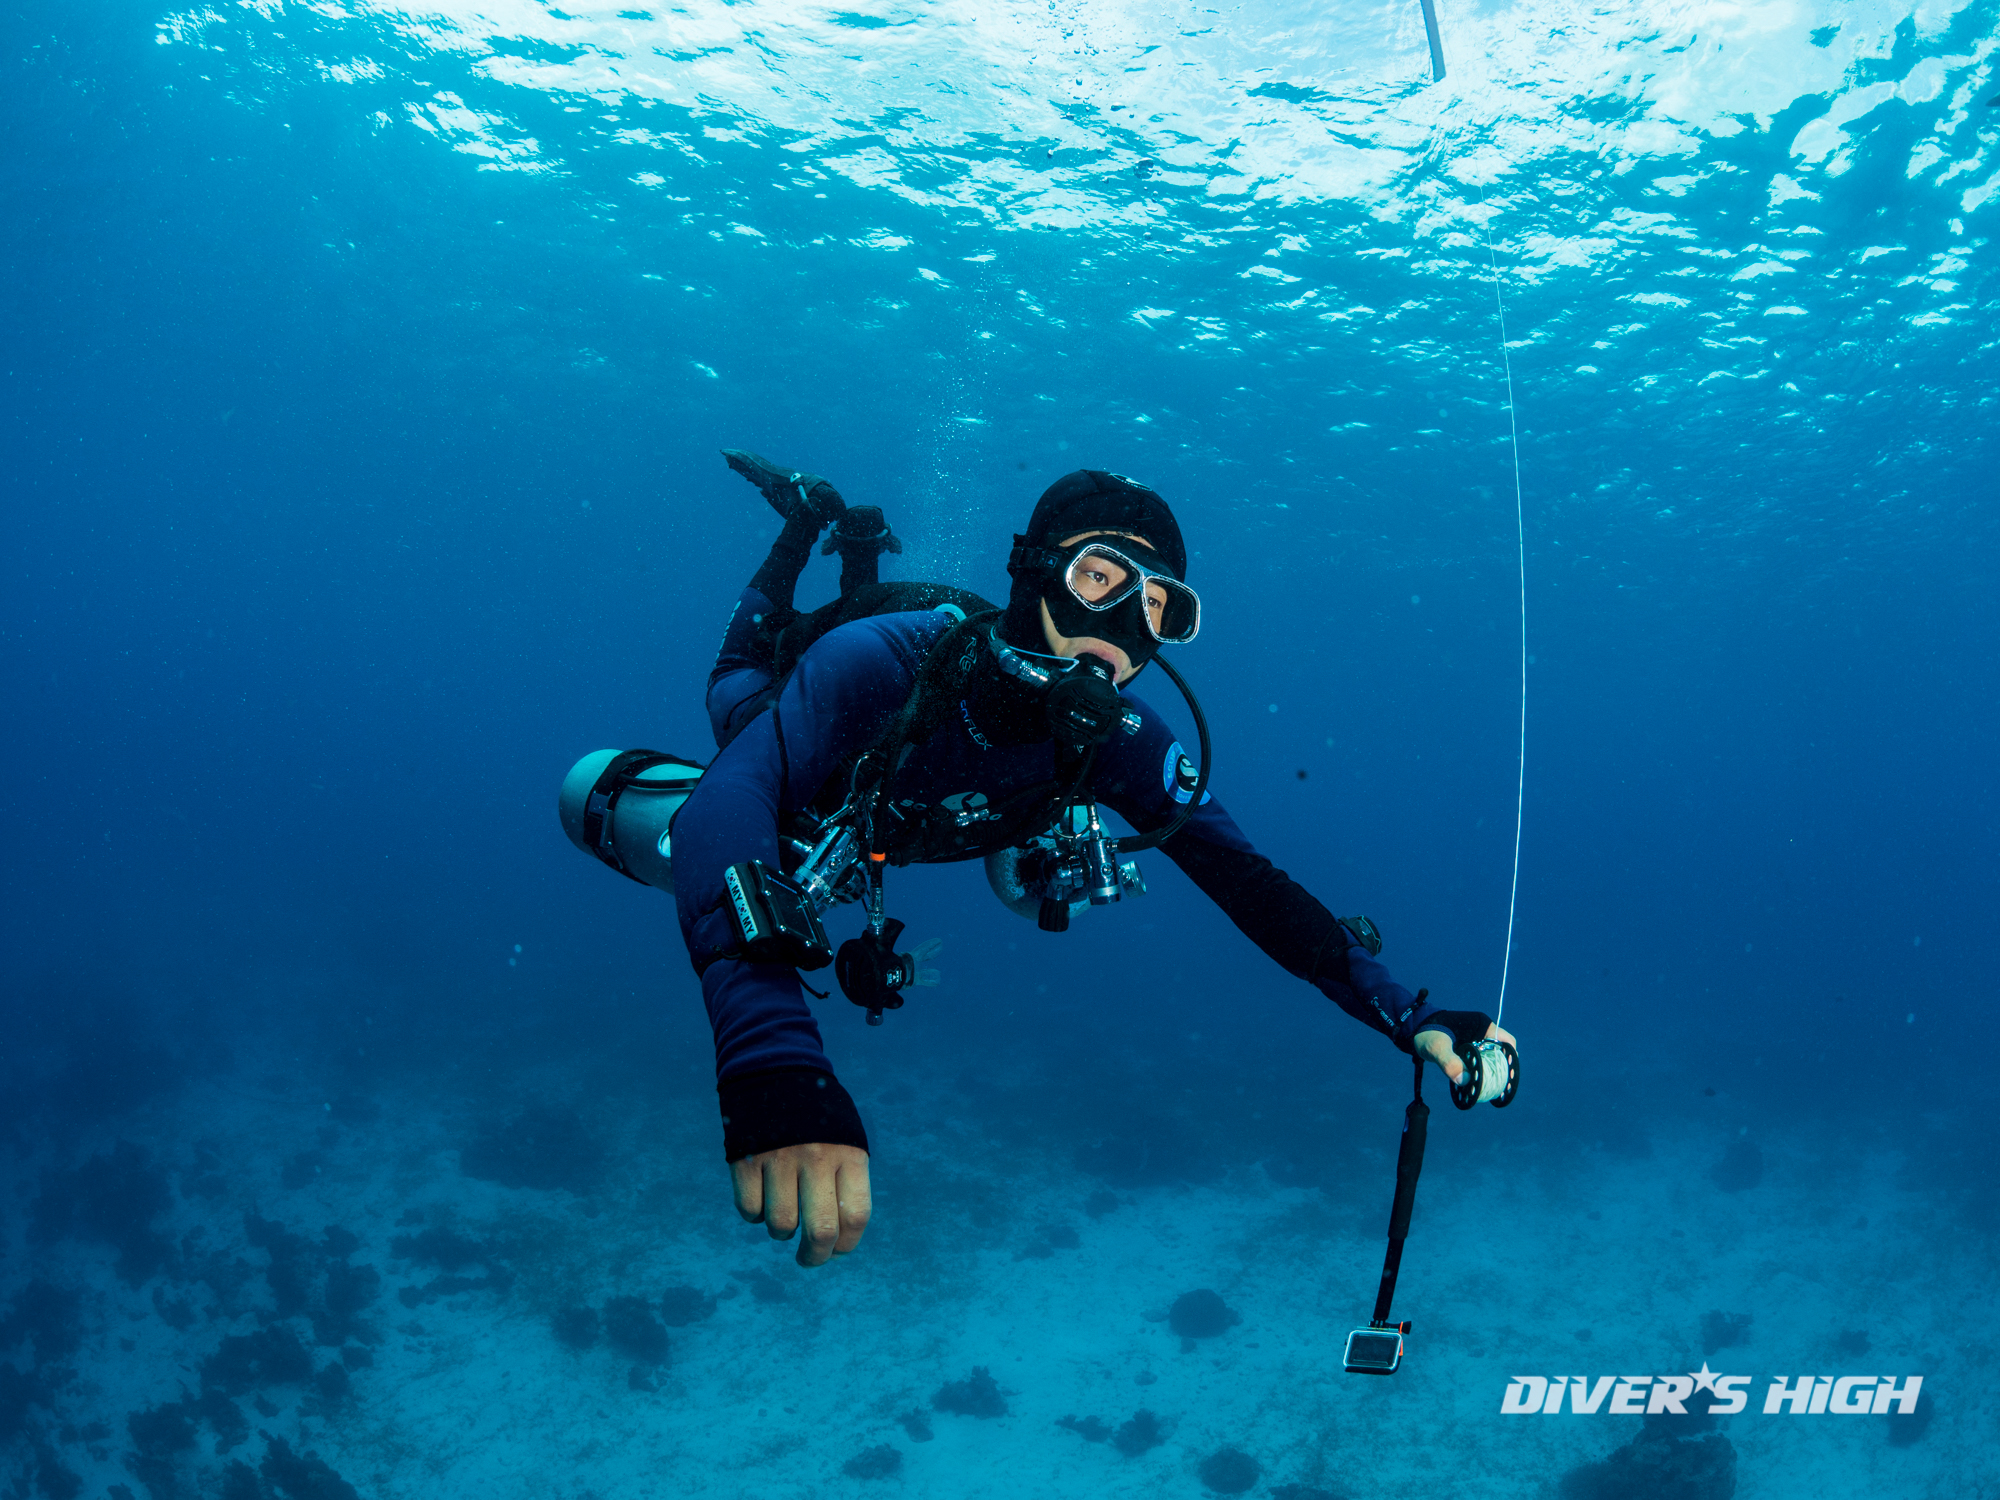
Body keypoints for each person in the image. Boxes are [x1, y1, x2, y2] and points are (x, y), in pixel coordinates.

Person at [674, 452, 1519, 1266]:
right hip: (829, 733)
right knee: (730, 694)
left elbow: (1248, 882)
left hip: (934, 813)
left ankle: (856, 542)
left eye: (1158, 606)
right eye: (1099, 578)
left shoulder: (1124, 741)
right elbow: (727, 800)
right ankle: (806, 520)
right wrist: (772, 1053)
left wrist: (1407, 1013)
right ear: (1034, 571)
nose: (1123, 625)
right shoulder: (883, 663)